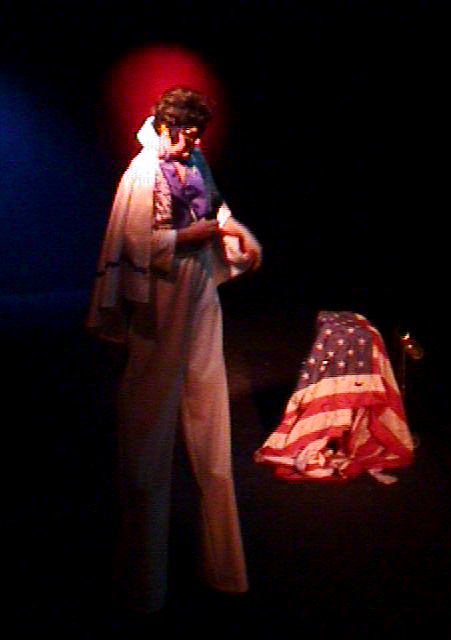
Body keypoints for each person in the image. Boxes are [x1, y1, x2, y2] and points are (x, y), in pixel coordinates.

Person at [87, 87, 262, 613]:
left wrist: (234, 232)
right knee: (149, 423)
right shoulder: (142, 173)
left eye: (197, 135)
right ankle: (143, 580)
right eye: (186, 134)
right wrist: (187, 238)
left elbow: (216, 206)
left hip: (199, 287)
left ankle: (223, 566)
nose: (192, 143)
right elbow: (133, 241)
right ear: (165, 127)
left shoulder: (196, 161)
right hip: (161, 294)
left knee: (211, 414)